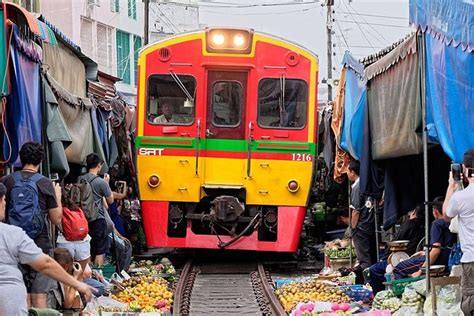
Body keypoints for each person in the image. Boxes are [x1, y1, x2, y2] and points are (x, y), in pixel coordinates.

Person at [0, 183, 94, 315]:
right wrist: (77, 283)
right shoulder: (11, 233)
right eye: (4, 200)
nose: (5, 204)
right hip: (8, 302)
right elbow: (45, 264)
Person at [1, 142, 63, 308]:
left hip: (12, 246)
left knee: (21, 294)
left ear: (20, 158)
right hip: (39, 245)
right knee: (39, 296)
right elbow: (56, 219)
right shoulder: (45, 183)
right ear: (40, 161)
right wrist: (57, 196)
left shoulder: (7, 181)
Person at [393, 198, 456, 279]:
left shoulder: (437, 224)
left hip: (438, 260)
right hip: (448, 259)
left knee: (398, 268)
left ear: (435, 211)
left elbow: (436, 251)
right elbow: (446, 247)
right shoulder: (454, 223)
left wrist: (420, 271)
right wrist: (424, 253)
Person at [443, 149, 474, 315]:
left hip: (471, 259)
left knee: (470, 301)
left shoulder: (460, 197)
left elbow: (446, 215)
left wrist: (451, 186)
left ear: (464, 169)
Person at [369, 205, 424, 294]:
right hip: (412, 258)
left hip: (404, 258)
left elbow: (396, 241)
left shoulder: (410, 223)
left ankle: (380, 294)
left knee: (374, 269)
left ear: (414, 212)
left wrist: (385, 257)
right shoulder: (424, 225)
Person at [80, 153, 114, 266]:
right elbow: (110, 201)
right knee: (99, 250)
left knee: (87, 249)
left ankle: (88, 274)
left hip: (83, 219)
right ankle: (99, 274)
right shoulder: (101, 182)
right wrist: (107, 184)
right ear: (99, 165)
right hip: (98, 219)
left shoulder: (80, 179)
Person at [347, 160, 377, 270]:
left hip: (361, 227)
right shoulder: (367, 184)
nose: (347, 173)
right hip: (370, 225)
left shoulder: (356, 188)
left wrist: (353, 228)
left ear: (352, 172)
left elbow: (356, 211)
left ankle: (367, 281)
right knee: (371, 255)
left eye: (347, 171)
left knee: (364, 258)